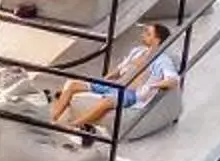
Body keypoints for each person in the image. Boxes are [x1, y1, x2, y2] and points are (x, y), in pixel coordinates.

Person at [47, 20, 181, 135]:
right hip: (116, 84)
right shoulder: (137, 51)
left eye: (148, 33)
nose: (143, 35)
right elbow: (119, 70)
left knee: (108, 102)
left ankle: (74, 125)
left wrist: (152, 86)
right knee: (74, 85)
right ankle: (51, 120)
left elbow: (173, 81)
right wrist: (105, 78)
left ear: (157, 40)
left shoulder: (162, 60)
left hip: (131, 93)